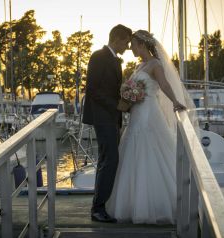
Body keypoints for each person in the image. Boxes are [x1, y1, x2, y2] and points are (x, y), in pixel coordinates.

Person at [107, 30, 193, 224]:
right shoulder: (140, 65)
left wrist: (175, 102)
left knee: (148, 152)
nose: (131, 48)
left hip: (148, 114)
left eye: (134, 45)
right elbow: (136, 88)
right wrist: (128, 95)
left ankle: (155, 205)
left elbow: (163, 85)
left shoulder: (155, 64)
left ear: (142, 45)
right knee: (133, 154)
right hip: (136, 114)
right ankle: (133, 203)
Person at [82, 24, 132, 223]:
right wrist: (117, 104)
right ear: (117, 39)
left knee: (106, 161)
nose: (127, 47)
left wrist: (125, 99)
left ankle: (99, 205)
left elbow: (108, 88)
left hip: (111, 117)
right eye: (126, 42)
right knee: (110, 160)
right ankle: (98, 208)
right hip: (103, 117)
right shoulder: (99, 56)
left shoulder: (113, 59)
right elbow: (93, 90)